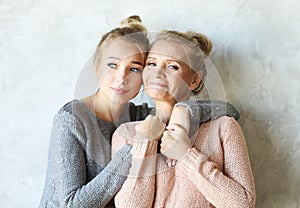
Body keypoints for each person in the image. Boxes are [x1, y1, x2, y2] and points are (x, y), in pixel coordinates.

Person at [112, 30, 256, 207]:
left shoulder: (223, 128)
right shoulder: (126, 133)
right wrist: (145, 142)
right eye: (151, 63)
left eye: (172, 66)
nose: (157, 72)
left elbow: (243, 204)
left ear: (194, 80)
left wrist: (186, 155)